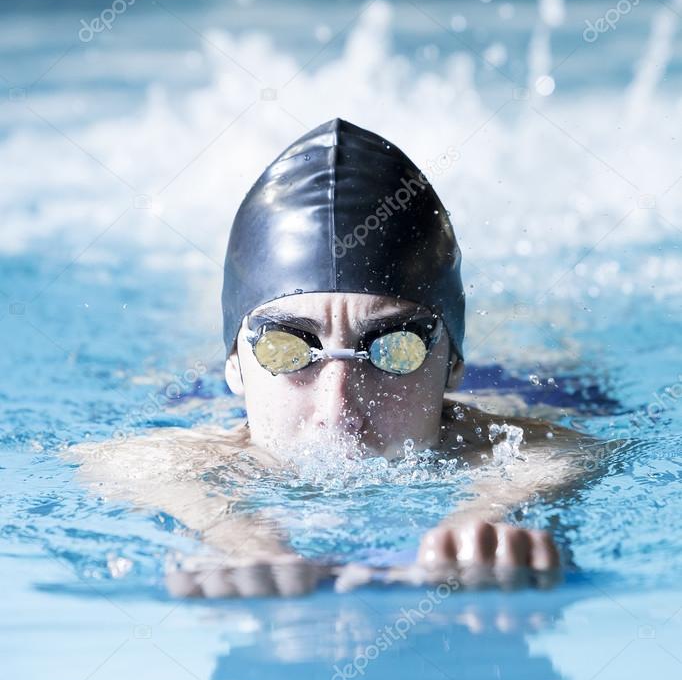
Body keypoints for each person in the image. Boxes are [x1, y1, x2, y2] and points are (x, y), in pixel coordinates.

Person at [71, 119, 594, 598]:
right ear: (233, 362)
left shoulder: (502, 444)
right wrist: (236, 533)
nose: (337, 406)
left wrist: (484, 519)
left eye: (394, 347)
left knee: (546, 344)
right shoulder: (202, 450)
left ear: (453, 361)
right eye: (287, 348)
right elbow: (115, 460)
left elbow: (564, 456)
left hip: (516, 383)